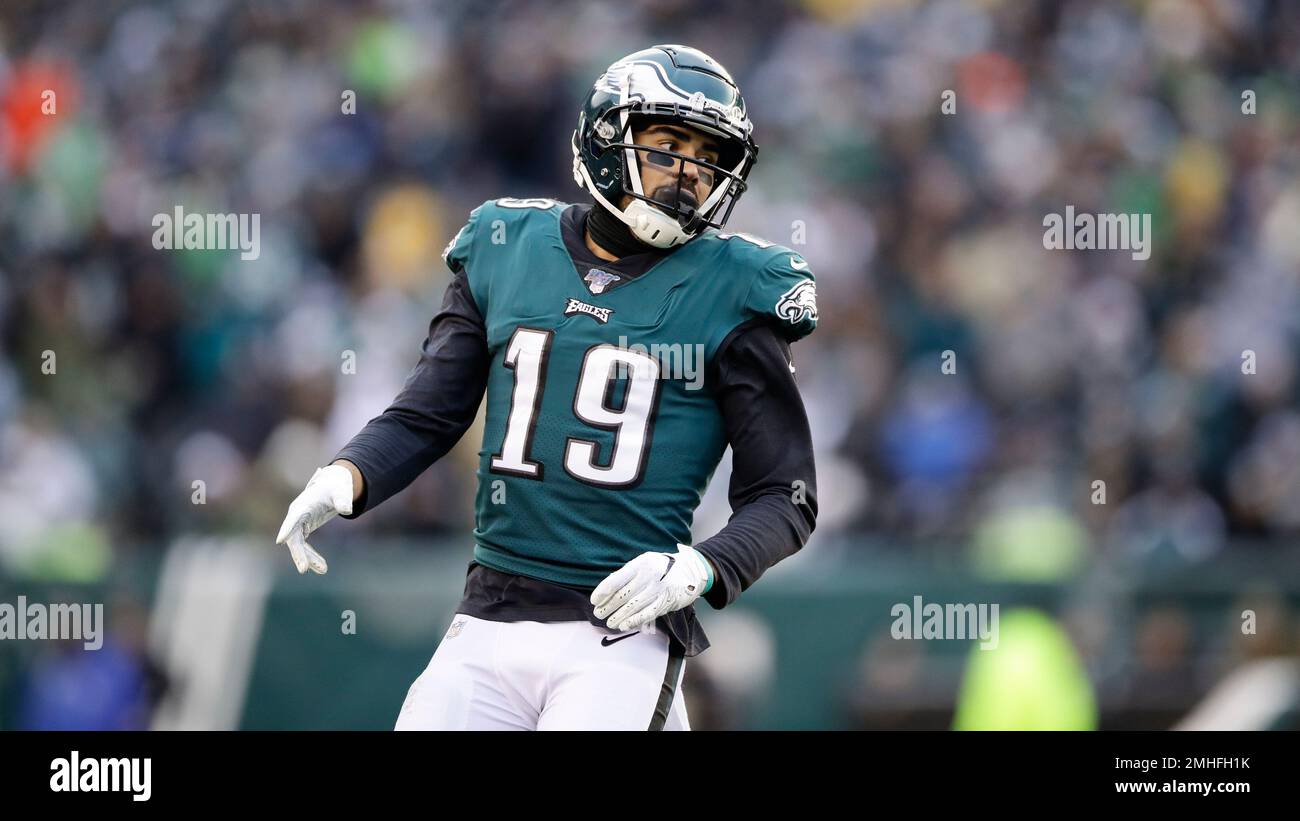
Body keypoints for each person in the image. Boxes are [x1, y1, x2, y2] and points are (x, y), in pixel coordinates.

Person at [275, 44, 819, 730]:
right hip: (486, 615)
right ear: (606, 137)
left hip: (622, 634)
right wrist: (344, 475)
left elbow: (786, 495)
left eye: (703, 152)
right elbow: (428, 413)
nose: (687, 171)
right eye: (667, 142)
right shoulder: (507, 244)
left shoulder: (738, 288)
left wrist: (701, 568)